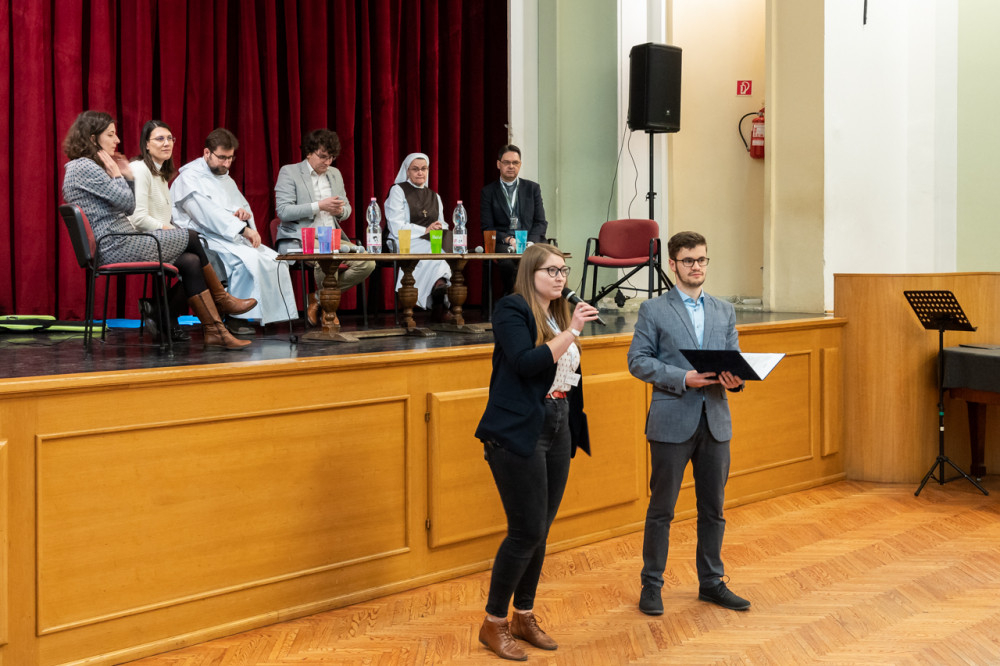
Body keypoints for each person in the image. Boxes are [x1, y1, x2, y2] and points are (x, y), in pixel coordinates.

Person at [474, 244, 600, 661]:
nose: (560, 277)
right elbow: (526, 364)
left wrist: (568, 329)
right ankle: (493, 622)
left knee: (541, 529)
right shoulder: (512, 309)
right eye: (551, 271)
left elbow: (565, 372)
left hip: (558, 422)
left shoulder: (558, 315)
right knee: (524, 531)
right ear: (531, 273)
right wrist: (574, 331)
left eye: (564, 270)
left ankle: (523, 615)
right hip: (518, 428)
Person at [627, 230, 750, 616]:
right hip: (671, 420)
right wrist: (683, 378)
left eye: (702, 260)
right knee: (662, 509)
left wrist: (736, 378)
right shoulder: (653, 310)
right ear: (673, 264)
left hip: (715, 420)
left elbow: (733, 358)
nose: (696, 267)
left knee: (713, 508)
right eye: (688, 261)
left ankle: (711, 582)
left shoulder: (723, 310)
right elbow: (638, 361)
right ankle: (651, 585)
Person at [61, 110, 255, 350]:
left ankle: (215, 330)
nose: (117, 140)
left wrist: (122, 177)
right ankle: (221, 301)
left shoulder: (87, 167)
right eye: (110, 134)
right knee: (192, 237)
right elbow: (129, 205)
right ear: (93, 138)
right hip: (116, 244)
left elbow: (125, 203)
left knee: (191, 261)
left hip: (120, 240)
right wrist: (122, 176)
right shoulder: (84, 167)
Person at [171, 128, 297, 331]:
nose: (226, 164)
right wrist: (243, 230)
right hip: (202, 236)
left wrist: (242, 215)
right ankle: (235, 318)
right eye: (222, 157)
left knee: (275, 259)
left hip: (227, 234)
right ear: (207, 153)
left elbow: (238, 206)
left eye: (230, 158)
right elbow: (205, 214)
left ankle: (268, 316)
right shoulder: (190, 178)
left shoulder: (224, 177)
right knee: (243, 262)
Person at [274, 128, 374, 325]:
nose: (327, 162)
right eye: (322, 157)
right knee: (326, 256)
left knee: (367, 262)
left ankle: (319, 298)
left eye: (331, 158)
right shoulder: (290, 172)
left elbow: (347, 209)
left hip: (332, 237)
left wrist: (340, 211)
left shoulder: (335, 174)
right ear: (309, 152)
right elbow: (283, 212)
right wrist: (319, 206)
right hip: (301, 237)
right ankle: (329, 310)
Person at [128, 119, 188, 342]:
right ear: (146, 144)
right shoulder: (140, 169)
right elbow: (138, 218)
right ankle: (166, 314)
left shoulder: (161, 173)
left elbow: (164, 218)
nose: (166, 143)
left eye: (170, 138)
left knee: (199, 259)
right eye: (160, 139)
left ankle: (160, 310)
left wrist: (171, 229)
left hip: (158, 238)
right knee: (196, 256)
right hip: (141, 241)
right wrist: (171, 230)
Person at [384, 152, 451, 322]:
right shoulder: (398, 190)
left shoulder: (435, 196)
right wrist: (425, 230)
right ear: (407, 171)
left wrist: (439, 227)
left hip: (430, 239)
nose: (420, 172)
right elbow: (396, 225)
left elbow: (443, 223)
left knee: (445, 249)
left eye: (424, 169)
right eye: (415, 169)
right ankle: (440, 296)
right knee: (434, 250)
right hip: (404, 239)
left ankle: (439, 292)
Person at [480, 144, 548, 296]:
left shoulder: (532, 188)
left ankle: (529, 298)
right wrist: (510, 240)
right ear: (498, 164)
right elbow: (487, 227)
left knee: (540, 259)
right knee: (507, 263)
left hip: (530, 241)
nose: (511, 166)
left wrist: (529, 242)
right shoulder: (488, 192)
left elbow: (541, 222)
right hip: (504, 242)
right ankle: (516, 296)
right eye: (506, 162)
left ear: (520, 164)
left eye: (515, 163)